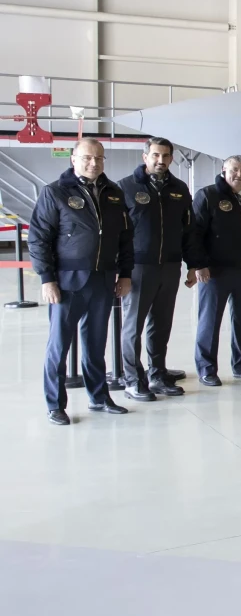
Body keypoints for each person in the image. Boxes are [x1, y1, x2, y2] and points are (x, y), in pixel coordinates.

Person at [30, 139, 134, 424]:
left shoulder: (114, 193)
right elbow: (39, 238)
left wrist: (125, 273)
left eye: (99, 158)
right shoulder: (55, 192)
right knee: (59, 346)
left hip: (103, 280)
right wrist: (47, 279)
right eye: (87, 157)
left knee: (95, 344)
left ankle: (99, 398)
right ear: (73, 159)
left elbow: (126, 238)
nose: (94, 163)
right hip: (67, 281)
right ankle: (55, 405)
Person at [116, 138, 192, 401]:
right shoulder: (125, 187)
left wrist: (192, 264)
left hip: (170, 266)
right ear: (145, 156)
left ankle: (157, 375)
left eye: (166, 156)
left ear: (171, 158)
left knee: (161, 325)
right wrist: (121, 270)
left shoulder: (179, 189)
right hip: (138, 267)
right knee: (133, 327)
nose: (161, 160)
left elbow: (189, 230)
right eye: (156, 155)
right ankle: (132, 380)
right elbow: (117, 232)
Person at [189, 156, 241, 386]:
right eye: (234, 169)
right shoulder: (207, 195)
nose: (239, 174)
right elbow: (194, 233)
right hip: (215, 272)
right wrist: (199, 264)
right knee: (210, 322)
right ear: (224, 170)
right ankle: (207, 369)